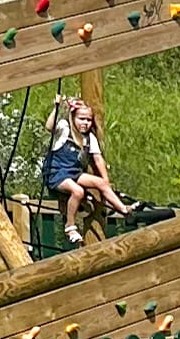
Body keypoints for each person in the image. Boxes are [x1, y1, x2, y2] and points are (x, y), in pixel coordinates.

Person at [45, 95, 131, 245]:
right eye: (81, 119)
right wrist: (56, 107)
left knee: (101, 183)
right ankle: (70, 226)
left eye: (88, 120)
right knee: (78, 191)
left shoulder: (89, 138)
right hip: (56, 172)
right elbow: (49, 127)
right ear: (73, 118)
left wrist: (105, 180)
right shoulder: (65, 128)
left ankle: (123, 209)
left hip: (73, 172)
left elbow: (98, 159)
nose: (85, 123)